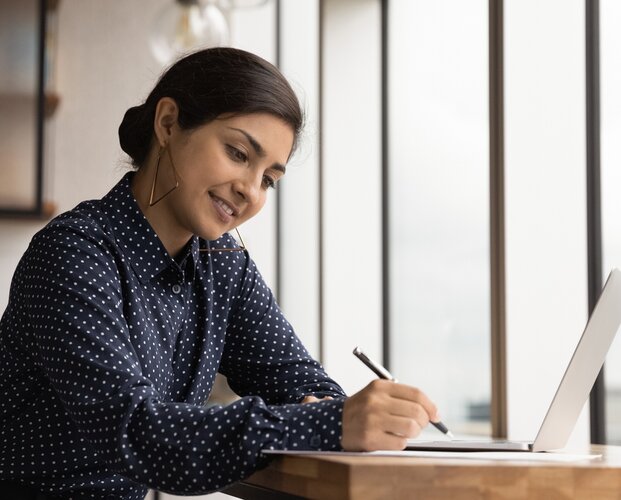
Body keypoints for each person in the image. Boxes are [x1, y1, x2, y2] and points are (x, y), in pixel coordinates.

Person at [0, 47, 440, 499]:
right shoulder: (72, 254)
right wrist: (330, 421)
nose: (250, 191)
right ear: (168, 123)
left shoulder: (222, 263)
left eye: (269, 179)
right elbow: (136, 432)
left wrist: (334, 410)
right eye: (237, 153)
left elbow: (296, 380)